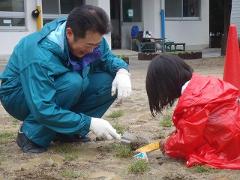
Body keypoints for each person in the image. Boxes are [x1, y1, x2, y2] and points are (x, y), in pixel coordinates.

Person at [0, 5, 132, 153]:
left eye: (96, 45)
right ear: (69, 33)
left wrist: (122, 71)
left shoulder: (90, 37)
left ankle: (66, 132)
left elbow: (106, 58)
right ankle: (31, 135)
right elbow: (42, 107)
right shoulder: (38, 54)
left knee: (108, 81)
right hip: (19, 96)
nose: (92, 50)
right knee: (72, 82)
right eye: (89, 45)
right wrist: (88, 123)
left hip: (61, 87)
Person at [146, 54, 240, 169]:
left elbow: (187, 140)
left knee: (197, 152)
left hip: (233, 144)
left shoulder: (194, 100)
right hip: (232, 127)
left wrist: (167, 144)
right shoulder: (204, 82)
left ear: (166, 85)